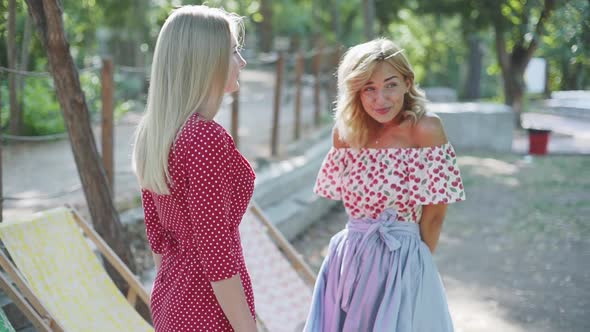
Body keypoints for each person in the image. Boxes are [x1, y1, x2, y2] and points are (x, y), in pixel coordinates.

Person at [304, 38, 466, 331]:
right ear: (356, 91)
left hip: (402, 257)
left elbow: (435, 215)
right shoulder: (346, 134)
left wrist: (417, 268)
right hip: (350, 257)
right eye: (370, 89)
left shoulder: (426, 130)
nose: (381, 99)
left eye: (390, 85)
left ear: (407, 82)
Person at [132, 5, 257, 332]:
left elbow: (158, 240)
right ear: (206, 61)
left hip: (171, 297)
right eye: (233, 52)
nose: (241, 62)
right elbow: (216, 254)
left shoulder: (155, 133)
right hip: (208, 309)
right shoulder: (205, 139)